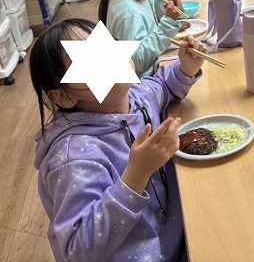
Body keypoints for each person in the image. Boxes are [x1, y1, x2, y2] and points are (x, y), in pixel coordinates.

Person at [31, 18, 206, 262]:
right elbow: (79, 249)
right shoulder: (74, 158)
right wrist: (136, 175)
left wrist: (186, 68)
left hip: (174, 233)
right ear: (63, 97)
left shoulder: (137, 97)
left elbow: (163, 86)